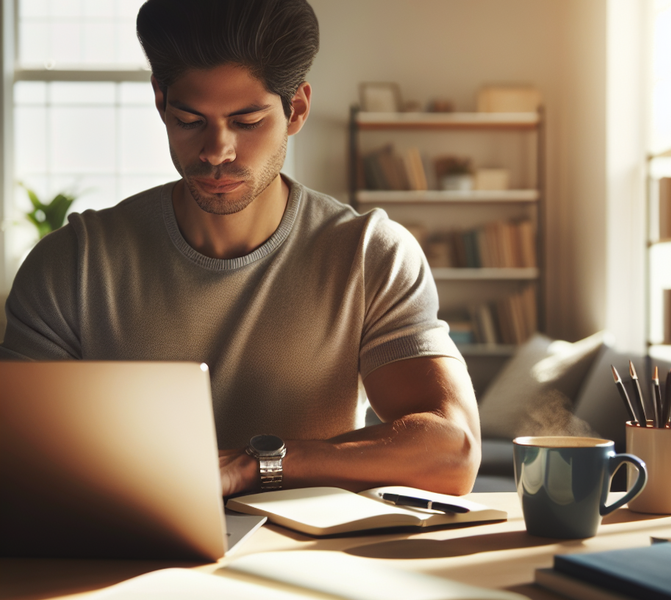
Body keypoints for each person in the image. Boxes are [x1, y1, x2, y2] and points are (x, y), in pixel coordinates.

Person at [0, 0, 481, 497]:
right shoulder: (71, 265)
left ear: (296, 110)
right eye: (190, 121)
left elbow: (454, 451)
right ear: (161, 101)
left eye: (247, 121)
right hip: (124, 562)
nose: (217, 151)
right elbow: (15, 457)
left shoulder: (369, 255)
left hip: (311, 567)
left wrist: (254, 466)